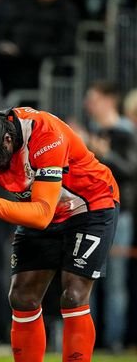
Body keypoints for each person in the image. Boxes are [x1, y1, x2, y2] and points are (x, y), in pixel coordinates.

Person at [0, 107, 119, 362]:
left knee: (73, 295)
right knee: (22, 297)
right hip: (39, 207)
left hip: (90, 205)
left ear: (8, 140)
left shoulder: (46, 134)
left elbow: (42, 214)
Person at [83, 80, 137, 352]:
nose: (88, 104)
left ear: (108, 100)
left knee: (114, 282)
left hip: (119, 216)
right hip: (94, 213)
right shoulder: (96, 131)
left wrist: (106, 154)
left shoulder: (125, 132)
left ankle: (113, 341)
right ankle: (88, 341)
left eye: (92, 98)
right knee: (86, 279)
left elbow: (131, 170)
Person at [0, 0, 79, 93]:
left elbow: (66, 46)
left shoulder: (67, 11)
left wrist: (28, 50)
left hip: (48, 78)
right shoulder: (20, 5)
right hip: (14, 74)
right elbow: (3, 32)